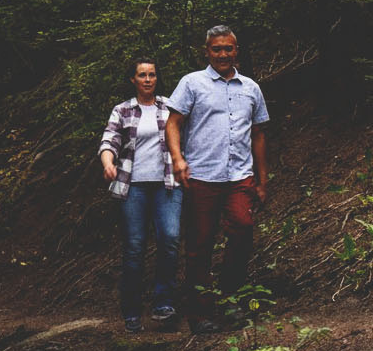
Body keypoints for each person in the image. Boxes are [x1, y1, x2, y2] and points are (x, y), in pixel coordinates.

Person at [166, 25, 271, 334]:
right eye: (217, 49)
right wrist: (178, 159)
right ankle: (199, 313)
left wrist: (262, 181)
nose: (223, 54)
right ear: (207, 52)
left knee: (243, 229)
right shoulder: (192, 84)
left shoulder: (250, 88)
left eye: (228, 48)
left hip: (240, 176)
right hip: (202, 176)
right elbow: (173, 123)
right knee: (199, 244)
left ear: (236, 51)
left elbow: (259, 134)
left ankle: (232, 300)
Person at [98, 59, 183, 333]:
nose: (148, 79)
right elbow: (109, 140)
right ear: (133, 80)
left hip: (166, 185)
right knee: (134, 247)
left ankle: (163, 304)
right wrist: (108, 163)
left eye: (152, 75)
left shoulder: (170, 107)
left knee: (169, 238)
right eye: (142, 75)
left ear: (157, 78)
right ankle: (132, 311)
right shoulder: (122, 110)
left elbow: (186, 137)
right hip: (132, 187)